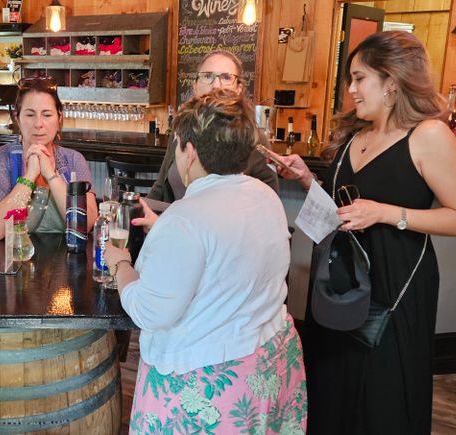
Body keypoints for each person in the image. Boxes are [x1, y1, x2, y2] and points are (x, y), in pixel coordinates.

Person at [272, 31, 456, 434]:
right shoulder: (355, 136)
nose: (350, 89)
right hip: (339, 282)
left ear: (392, 81)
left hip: (396, 286)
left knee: (382, 396)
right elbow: (343, 212)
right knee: (332, 386)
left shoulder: (429, 136)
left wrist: (387, 213)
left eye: (359, 78)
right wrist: (305, 180)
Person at [104, 89, 306, 433]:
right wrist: (163, 229)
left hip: (209, 389)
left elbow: (150, 310)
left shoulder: (186, 219)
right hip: (267, 364)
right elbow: (230, 253)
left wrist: (120, 263)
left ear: (190, 152)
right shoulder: (265, 197)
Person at [147, 50, 278, 205]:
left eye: (226, 77)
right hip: (172, 224)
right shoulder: (181, 128)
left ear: (239, 88)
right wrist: (141, 210)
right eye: (208, 76)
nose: (216, 85)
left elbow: (269, 201)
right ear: (195, 85)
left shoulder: (253, 138)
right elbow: (161, 186)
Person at [0, 77, 98, 240]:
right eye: (30, 115)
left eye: (47, 115)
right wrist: (29, 177)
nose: (38, 124)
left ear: (59, 118)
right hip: (11, 260)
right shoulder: (0, 159)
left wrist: (51, 176)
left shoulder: (73, 160)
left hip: (64, 260)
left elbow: (85, 224)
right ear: (17, 118)